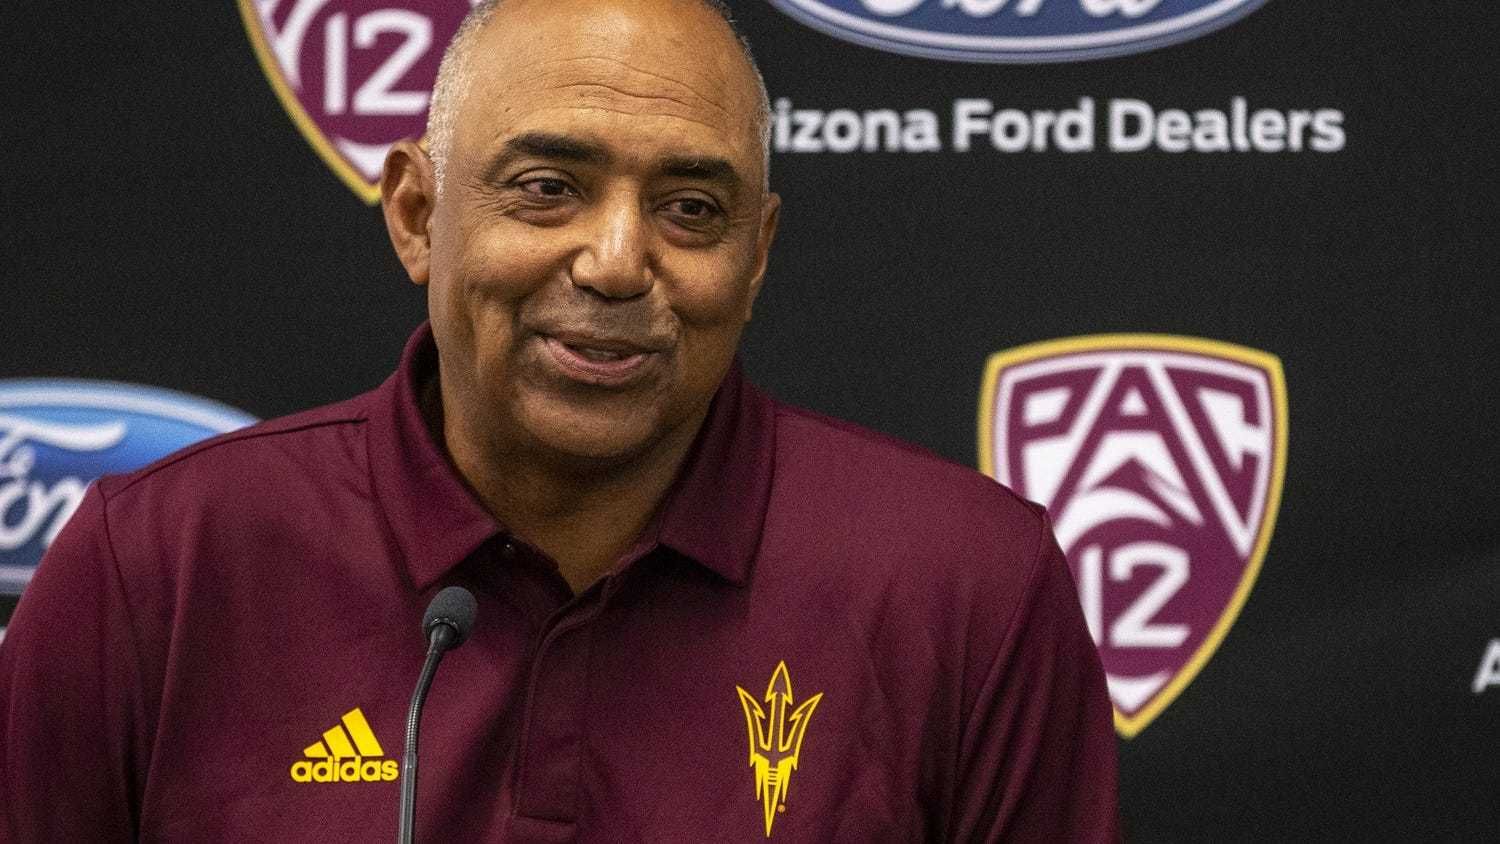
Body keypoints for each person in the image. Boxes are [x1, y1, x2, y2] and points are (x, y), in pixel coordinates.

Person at [0, 0, 1119, 839]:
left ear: (756, 256)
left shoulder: (967, 584)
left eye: (692, 209)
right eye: (547, 188)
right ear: (416, 214)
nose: (618, 261)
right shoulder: (158, 568)